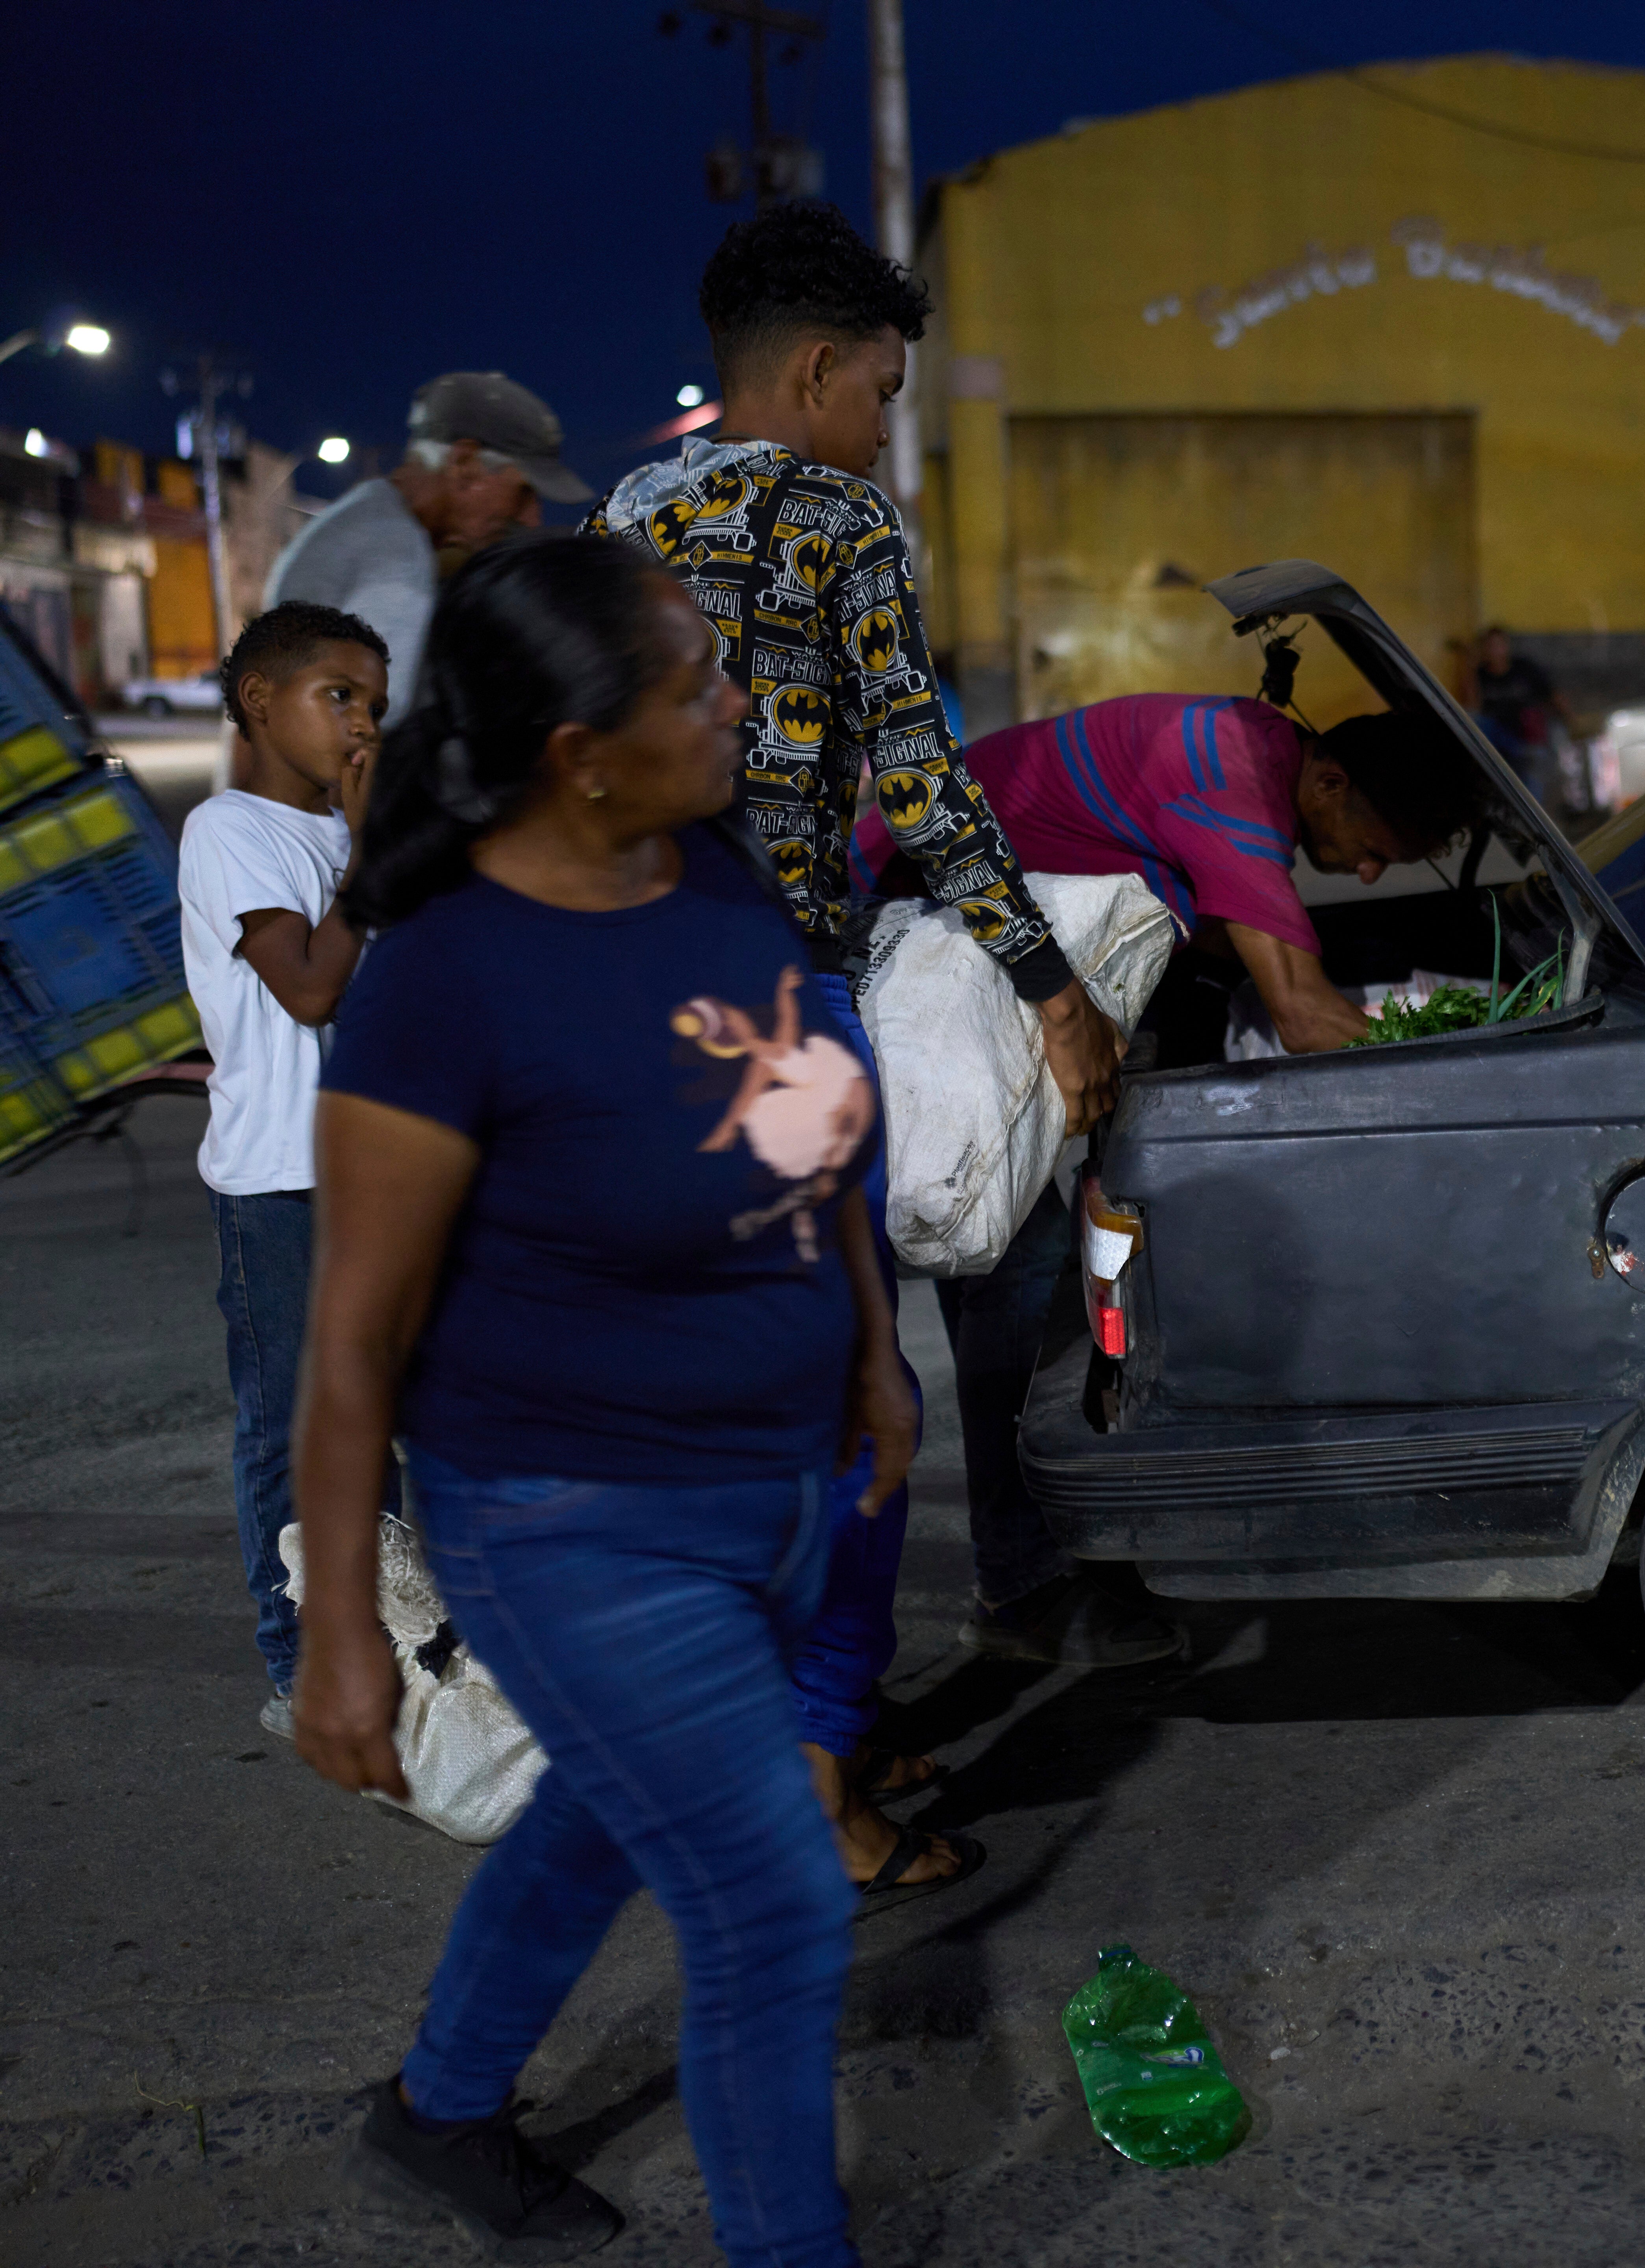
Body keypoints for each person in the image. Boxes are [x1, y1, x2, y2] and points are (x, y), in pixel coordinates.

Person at [294, 535, 911, 2264]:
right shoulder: (445, 983)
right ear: (579, 751)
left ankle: (438, 2106)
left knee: (605, 1806)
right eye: (698, 683)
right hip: (568, 1522)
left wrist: (870, 1349)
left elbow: (809, 1112)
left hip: (776, 1487)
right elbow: (353, 1336)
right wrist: (342, 1627)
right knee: (777, 1904)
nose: (738, 703)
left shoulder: (708, 870)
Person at [590, 197, 1117, 1893]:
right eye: (882, 388)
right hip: (782, 1018)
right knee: (862, 1405)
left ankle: (811, 1711)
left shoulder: (623, 515)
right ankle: (815, 1777)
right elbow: (923, 782)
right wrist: (1050, 984)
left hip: (628, 1012)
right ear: (814, 373)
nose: (889, 423)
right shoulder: (843, 519)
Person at [852, 695, 1485, 1660]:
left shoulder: (1249, 748)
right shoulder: (1232, 779)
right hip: (907, 936)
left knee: (1015, 1267)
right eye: (1373, 846)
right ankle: (1025, 1584)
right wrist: (1477, 1060)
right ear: (1329, 781)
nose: (1362, 871)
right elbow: (1309, 1021)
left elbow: (1216, 937)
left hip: (942, 928)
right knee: (1021, 1268)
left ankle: (1030, 1563)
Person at [179, 601, 396, 1731]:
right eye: (339, 697)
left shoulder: (352, 833)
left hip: (379, 1168)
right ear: (263, 703)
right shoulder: (231, 832)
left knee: (390, 1406)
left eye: (375, 704)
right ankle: (294, 1654)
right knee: (290, 1420)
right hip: (280, 1178)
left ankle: (393, 1630)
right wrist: (370, 855)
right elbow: (310, 986)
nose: (363, 724)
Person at [264, 373, 589, 701]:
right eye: (524, 493)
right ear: (464, 465)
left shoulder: (369, 518)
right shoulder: (396, 561)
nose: (532, 519)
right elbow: (372, 740)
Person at [1470, 625, 1582, 813]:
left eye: (1498, 645)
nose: (1494, 650)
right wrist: (1468, 667)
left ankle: (1532, 817)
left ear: (1507, 646)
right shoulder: (1481, 675)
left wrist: (1572, 722)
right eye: (1489, 646)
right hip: (1498, 741)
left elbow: (1553, 695)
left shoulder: (1524, 669)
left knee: (1532, 782)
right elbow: (1473, 708)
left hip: (1528, 738)